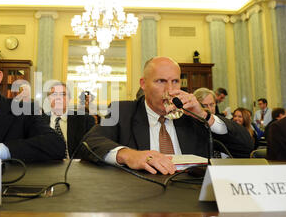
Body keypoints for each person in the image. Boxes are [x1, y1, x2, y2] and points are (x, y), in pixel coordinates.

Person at [80, 57, 252, 174]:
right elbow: (88, 143)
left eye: (175, 81)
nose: (170, 90)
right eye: (161, 81)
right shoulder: (122, 110)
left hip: (191, 199)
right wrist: (129, 155)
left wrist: (205, 116)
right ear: (143, 84)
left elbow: (245, 146)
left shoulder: (192, 115)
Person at [194, 88, 254, 158]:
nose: (209, 109)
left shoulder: (222, 123)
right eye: (204, 105)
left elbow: (247, 145)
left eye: (212, 104)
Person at [44, 82, 95, 159]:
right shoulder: (39, 121)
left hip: (75, 167)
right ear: (48, 98)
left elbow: (91, 148)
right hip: (46, 166)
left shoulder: (85, 120)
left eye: (63, 94)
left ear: (69, 99)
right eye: (54, 94)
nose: (58, 98)